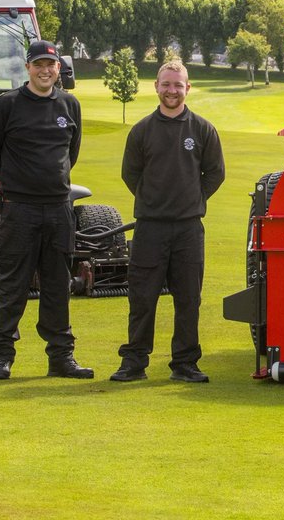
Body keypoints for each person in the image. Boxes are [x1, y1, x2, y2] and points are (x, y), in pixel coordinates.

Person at [0, 40, 92, 380]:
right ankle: (1, 356)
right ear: (28, 67)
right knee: (12, 284)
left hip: (59, 210)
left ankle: (61, 357)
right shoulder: (7, 105)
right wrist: (20, 183)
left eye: (51, 64)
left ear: (59, 68)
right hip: (20, 210)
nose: (45, 70)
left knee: (58, 285)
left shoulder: (69, 105)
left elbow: (70, 154)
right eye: (39, 64)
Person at [110, 59, 225, 384]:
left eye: (178, 84)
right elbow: (130, 174)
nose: (172, 90)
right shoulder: (142, 130)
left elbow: (215, 173)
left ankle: (185, 364)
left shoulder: (202, 129)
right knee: (142, 298)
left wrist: (193, 199)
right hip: (149, 228)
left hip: (188, 229)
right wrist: (152, 199)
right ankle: (134, 363)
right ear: (156, 87)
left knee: (188, 298)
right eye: (166, 84)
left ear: (187, 88)